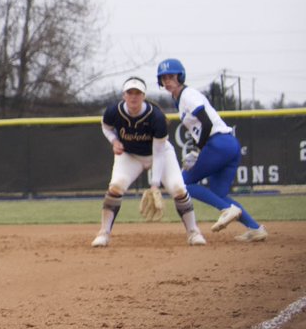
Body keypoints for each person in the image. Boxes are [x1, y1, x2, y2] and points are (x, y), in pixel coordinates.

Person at [156, 58, 267, 242]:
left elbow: (206, 122)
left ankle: (227, 210)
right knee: (218, 193)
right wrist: (197, 149)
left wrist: (200, 149)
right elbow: (201, 126)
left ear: (180, 76)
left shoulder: (188, 95)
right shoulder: (181, 99)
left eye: (171, 76)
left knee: (183, 184)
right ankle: (255, 228)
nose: (167, 80)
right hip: (228, 144)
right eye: (163, 77)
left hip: (218, 144)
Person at [91, 77, 206, 248]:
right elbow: (106, 127)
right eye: (130, 92)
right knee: (116, 186)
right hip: (130, 155)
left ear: (144, 96)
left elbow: (158, 153)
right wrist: (114, 141)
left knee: (178, 189)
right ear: (124, 95)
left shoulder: (156, 117)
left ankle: (193, 232)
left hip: (160, 154)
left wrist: (154, 185)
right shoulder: (113, 111)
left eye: (138, 93)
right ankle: (103, 233)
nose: (133, 97)